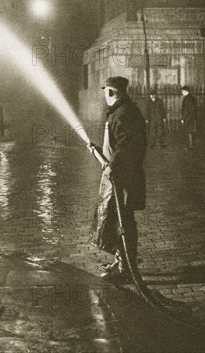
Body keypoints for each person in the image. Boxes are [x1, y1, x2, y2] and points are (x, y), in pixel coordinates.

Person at [88, 76, 146, 281]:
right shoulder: (122, 111)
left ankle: (126, 270)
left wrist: (112, 167)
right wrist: (99, 151)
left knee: (123, 222)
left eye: (106, 92)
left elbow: (126, 146)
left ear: (112, 92)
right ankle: (122, 262)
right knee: (118, 220)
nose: (105, 95)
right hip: (120, 177)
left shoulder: (122, 113)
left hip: (122, 179)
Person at [181, 85, 197, 150]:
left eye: (182, 91)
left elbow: (186, 110)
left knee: (189, 132)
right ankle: (191, 145)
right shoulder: (192, 97)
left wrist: (183, 118)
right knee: (190, 131)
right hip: (192, 117)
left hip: (188, 117)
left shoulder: (187, 99)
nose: (181, 92)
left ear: (185, 91)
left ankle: (190, 146)